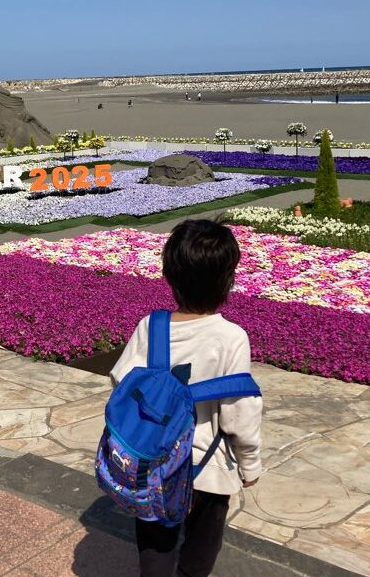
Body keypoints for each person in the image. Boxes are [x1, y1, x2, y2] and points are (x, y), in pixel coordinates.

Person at [110, 219, 263, 577]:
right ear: (228, 278)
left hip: (154, 466)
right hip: (207, 471)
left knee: (155, 546)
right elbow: (239, 413)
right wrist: (251, 465)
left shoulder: (152, 326)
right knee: (200, 550)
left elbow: (120, 379)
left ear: (170, 275)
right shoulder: (231, 337)